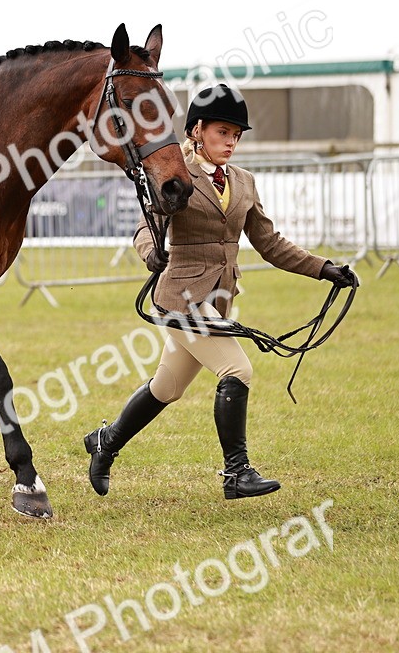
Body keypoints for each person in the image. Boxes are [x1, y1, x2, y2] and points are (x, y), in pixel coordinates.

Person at [83, 83, 358, 500]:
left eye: (236, 135)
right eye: (222, 133)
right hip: (180, 298)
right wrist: (149, 252)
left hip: (220, 299)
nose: (231, 143)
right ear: (196, 131)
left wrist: (325, 269)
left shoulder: (244, 182)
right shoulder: (177, 173)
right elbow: (145, 226)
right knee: (237, 370)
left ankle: (106, 442)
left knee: (167, 387)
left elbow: (270, 244)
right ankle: (236, 473)